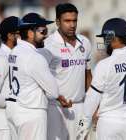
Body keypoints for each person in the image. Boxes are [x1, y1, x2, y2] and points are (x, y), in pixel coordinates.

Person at [76, 17, 126, 140]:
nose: (104, 41)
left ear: (111, 37)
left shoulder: (105, 64)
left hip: (109, 124)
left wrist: (83, 125)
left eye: (105, 37)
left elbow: (92, 97)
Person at [5, 13, 70, 140]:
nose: (45, 36)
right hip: (31, 113)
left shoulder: (13, 52)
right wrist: (57, 95)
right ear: (30, 33)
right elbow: (53, 91)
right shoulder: (35, 57)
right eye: (42, 31)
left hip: (14, 111)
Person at [42, 3, 92, 140]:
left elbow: (88, 75)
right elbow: (41, 79)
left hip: (80, 109)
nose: (72, 25)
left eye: (74, 20)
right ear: (58, 22)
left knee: (83, 138)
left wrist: (91, 103)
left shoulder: (85, 42)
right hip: (56, 109)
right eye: (67, 21)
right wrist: (58, 97)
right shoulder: (48, 45)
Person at [0, 16, 25, 140]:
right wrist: (11, 105)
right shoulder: (1, 58)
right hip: (1, 125)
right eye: (20, 33)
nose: (22, 36)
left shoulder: (14, 55)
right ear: (10, 35)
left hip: (11, 122)